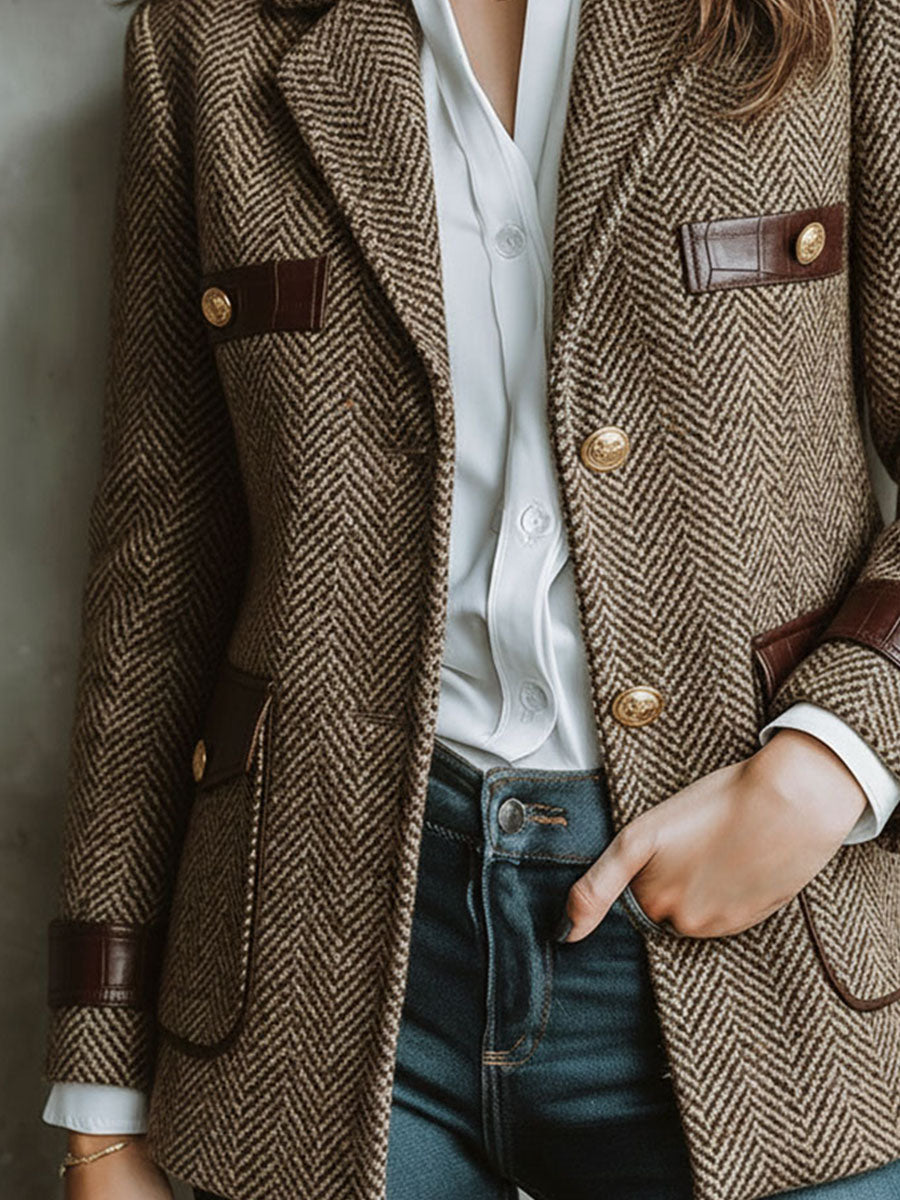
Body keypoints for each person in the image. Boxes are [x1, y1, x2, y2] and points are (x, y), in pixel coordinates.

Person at [40, 0, 900, 1195]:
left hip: (757, 955)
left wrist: (832, 761)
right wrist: (98, 1104)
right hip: (315, 990)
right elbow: (157, 571)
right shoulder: (206, 38)